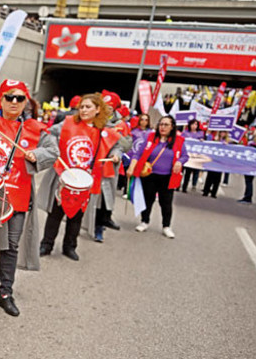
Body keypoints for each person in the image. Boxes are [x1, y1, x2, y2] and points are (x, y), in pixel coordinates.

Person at [0, 80, 58, 316]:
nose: (14, 102)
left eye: (19, 98)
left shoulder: (36, 128)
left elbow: (53, 152)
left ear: (26, 101)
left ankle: (6, 292)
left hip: (17, 195)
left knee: (11, 245)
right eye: (9, 97)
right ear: (0, 100)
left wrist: (36, 155)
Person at [37, 93, 123, 261]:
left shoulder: (103, 130)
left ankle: (70, 247)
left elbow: (118, 145)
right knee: (55, 213)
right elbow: (49, 133)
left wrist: (116, 155)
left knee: (76, 215)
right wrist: (53, 147)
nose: (83, 110)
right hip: (65, 176)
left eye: (88, 107)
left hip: (86, 179)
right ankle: (46, 244)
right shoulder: (68, 122)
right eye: (82, 107)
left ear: (98, 109)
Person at [128, 115, 187, 238]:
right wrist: (131, 167)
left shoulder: (179, 141)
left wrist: (179, 162)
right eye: (161, 124)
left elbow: (185, 156)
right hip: (150, 175)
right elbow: (138, 154)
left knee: (165, 202)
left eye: (166, 125)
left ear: (172, 127)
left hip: (167, 177)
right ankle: (144, 221)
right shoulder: (150, 138)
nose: (163, 127)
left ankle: (166, 226)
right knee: (148, 199)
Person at [84, 90, 131, 243]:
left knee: (105, 198)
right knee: (89, 197)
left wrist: (115, 137)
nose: (107, 109)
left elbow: (126, 145)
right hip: (91, 165)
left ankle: (100, 225)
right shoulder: (94, 121)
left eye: (111, 107)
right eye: (105, 106)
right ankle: (85, 223)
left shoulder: (120, 124)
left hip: (108, 167)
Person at [238, 129, 256, 204]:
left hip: (249, 165)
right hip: (255, 166)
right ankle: (247, 196)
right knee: (249, 181)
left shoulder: (253, 145)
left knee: (248, 181)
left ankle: (247, 197)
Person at [202, 130, 229, 198]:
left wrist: (227, 145)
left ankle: (214, 193)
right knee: (209, 176)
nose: (222, 133)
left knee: (217, 178)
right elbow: (208, 143)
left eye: (224, 132)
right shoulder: (214, 139)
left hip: (220, 162)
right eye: (221, 132)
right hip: (212, 160)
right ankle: (206, 191)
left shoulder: (228, 141)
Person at [181, 119, 204, 192]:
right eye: (193, 124)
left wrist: (201, 141)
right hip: (184, 154)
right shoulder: (185, 133)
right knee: (181, 172)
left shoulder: (200, 133)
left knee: (188, 173)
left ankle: (185, 187)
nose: (194, 126)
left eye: (196, 124)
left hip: (193, 157)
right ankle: (177, 185)